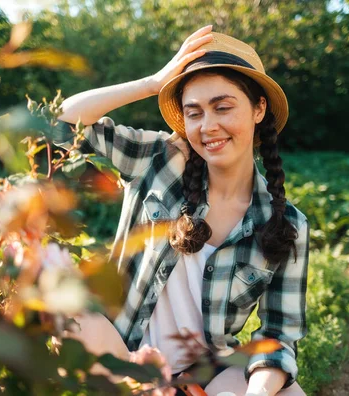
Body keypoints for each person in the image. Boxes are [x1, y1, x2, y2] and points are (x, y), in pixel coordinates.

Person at [57, 26, 309, 396]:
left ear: (259, 109)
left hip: (201, 372)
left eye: (223, 107)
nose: (208, 126)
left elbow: (278, 336)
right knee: (71, 312)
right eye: (194, 113)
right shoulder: (158, 160)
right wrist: (153, 82)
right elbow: (59, 124)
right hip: (118, 351)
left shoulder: (287, 224)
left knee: (287, 393)